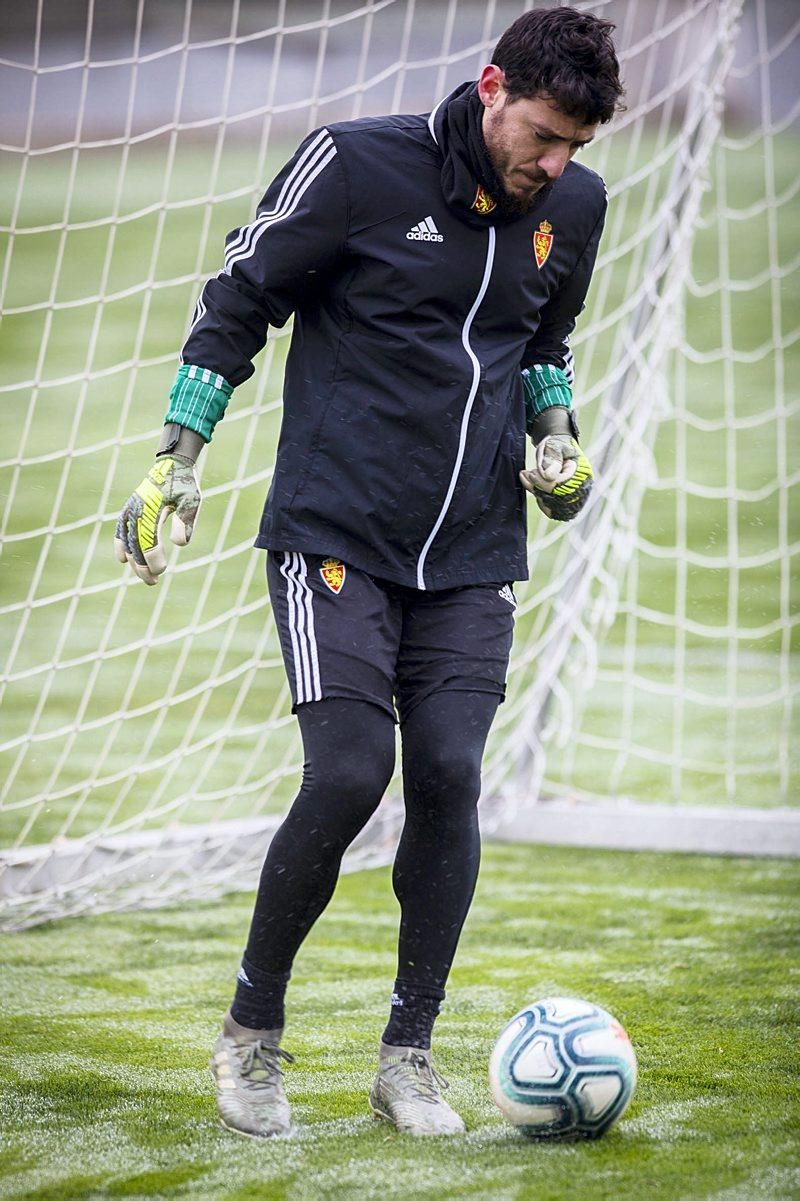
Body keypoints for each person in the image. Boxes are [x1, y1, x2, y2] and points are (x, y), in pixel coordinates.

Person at [114, 7, 623, 1138]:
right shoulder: (355, 165)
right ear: (491, 87)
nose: (554, 165)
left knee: (446, 772)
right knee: (349, 771)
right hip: (335, 531)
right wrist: (176, 462)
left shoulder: (573, 207)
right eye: (541, 136)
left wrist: (554, 434)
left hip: (474, 547)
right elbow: (237, 300)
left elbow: (542, 343)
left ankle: (409, 1057)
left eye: (573, 148)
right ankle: (251, 1038)